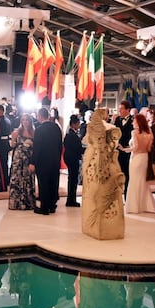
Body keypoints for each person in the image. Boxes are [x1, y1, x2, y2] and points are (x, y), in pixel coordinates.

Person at [81, 108, 125, 239]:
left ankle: (97, 224)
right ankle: (101, 225)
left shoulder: (92, 127)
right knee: (102, 193)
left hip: (95, 163)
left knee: (97, 193)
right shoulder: (111, 128)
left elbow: (85, 141)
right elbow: (115, 145)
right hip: (107, 163)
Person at [29, 107, 62, 215]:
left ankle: (44, 207)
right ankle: (52, 206)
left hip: (43, 161)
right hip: (55, 160)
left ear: (39, 116)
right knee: (54, 182)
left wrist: (33, 162)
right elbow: (59, 145)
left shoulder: (39, 129)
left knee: (43, 184)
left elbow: (37, 148)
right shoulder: (56, 128)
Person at [124, 114, 155, 214]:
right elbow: (148, 148)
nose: (132, 122)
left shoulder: (134, 132)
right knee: (142, 180)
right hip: (144, 157)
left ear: (138, 122)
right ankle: (144, 204)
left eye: (134, 121)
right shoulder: (149, 133)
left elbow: (135, 147)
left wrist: (125, 149)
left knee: (134, 181)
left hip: (136, 157)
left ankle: (134, 206)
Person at [8, 113, 36, 210]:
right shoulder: (17, 132)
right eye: (23, 119)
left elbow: (36, 147)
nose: (25, 122)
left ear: (30, 121)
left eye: (27, 120)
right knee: (17, 179)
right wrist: (13, 140)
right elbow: (12, 146)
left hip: (29, 158)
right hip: (18, 158)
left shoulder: (34, 132)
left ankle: (28, 202)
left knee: (28, 179)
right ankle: (16, 203)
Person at [63, 114, 83, 207]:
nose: (79, 125)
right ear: (75, 124)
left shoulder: (70, 133)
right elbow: (77, 148)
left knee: (72, 179)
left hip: (70, 157)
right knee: (73, 179)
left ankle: (71, 199)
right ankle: (71, 200)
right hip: (72, 158)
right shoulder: (72, 134)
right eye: (78, 123)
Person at [115, 100, 133, 198]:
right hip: (118, 151)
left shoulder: (132, 121)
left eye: (121, 109)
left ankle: (127, 196)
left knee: (127, 174)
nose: (120, 111)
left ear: (127, 110)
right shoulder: (117, 120)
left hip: (127, 151)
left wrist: (126, 147)